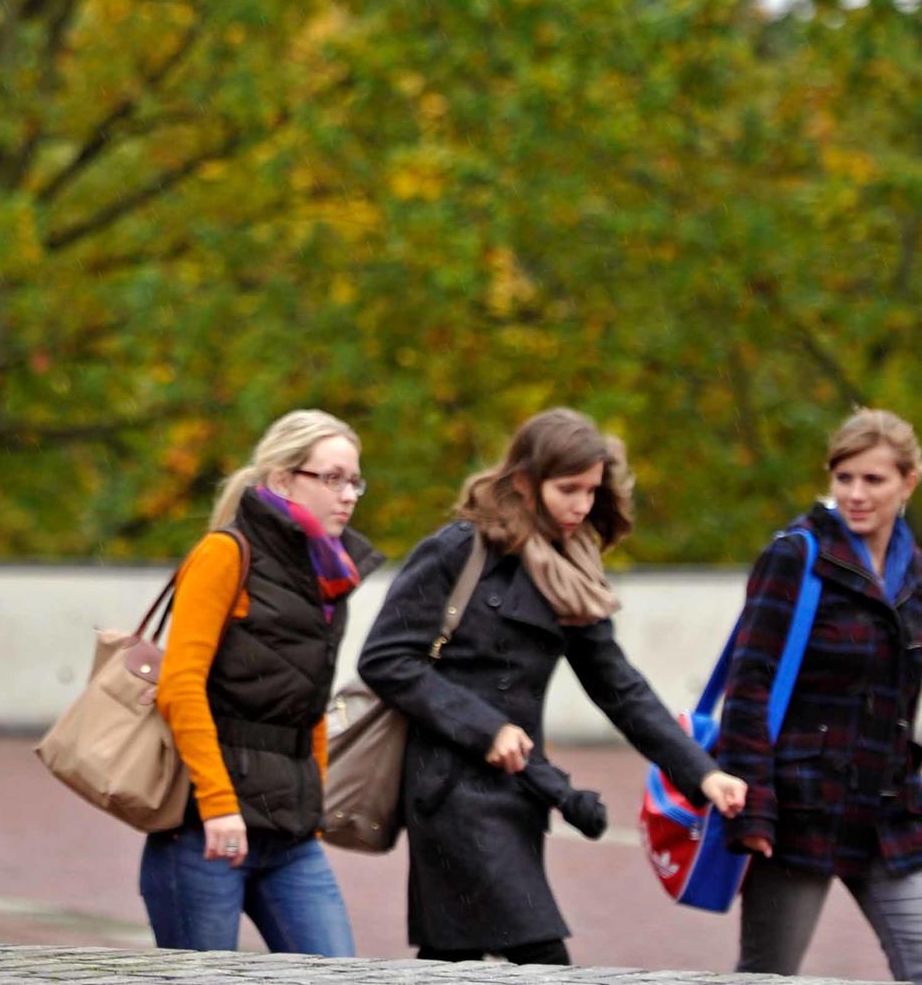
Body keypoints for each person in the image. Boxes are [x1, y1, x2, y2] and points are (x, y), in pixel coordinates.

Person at [358, 407, 746, 964]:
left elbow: (619, 688)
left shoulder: (570, 572)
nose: (583, 506)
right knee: (539, 955)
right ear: (523, 480)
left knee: (454, 957)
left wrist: (701, 772)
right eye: (569, 489)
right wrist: (485, 728)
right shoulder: (456, 550)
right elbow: (386, 659)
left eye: (592, 491)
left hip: (519, 791)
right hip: (448, 789)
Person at [141, 409, 383, 953]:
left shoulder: (329, 574)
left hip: (291, 835)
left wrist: (312, 812)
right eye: (332, 478)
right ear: (281, 479)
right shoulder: (226, 554)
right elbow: (181, 686)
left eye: (354, 481)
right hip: (206, 831)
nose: (348, 495)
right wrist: (220, 804)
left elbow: (308, 706)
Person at [723, 408, 922, 981]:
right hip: (799, 810)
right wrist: (755, 805)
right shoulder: (798, 555)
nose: (856, 494)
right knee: (768, 974)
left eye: (874, 480)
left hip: (888, 813)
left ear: (908, 483)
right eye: (844, 478)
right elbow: (749, 685)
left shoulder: (913, 574)